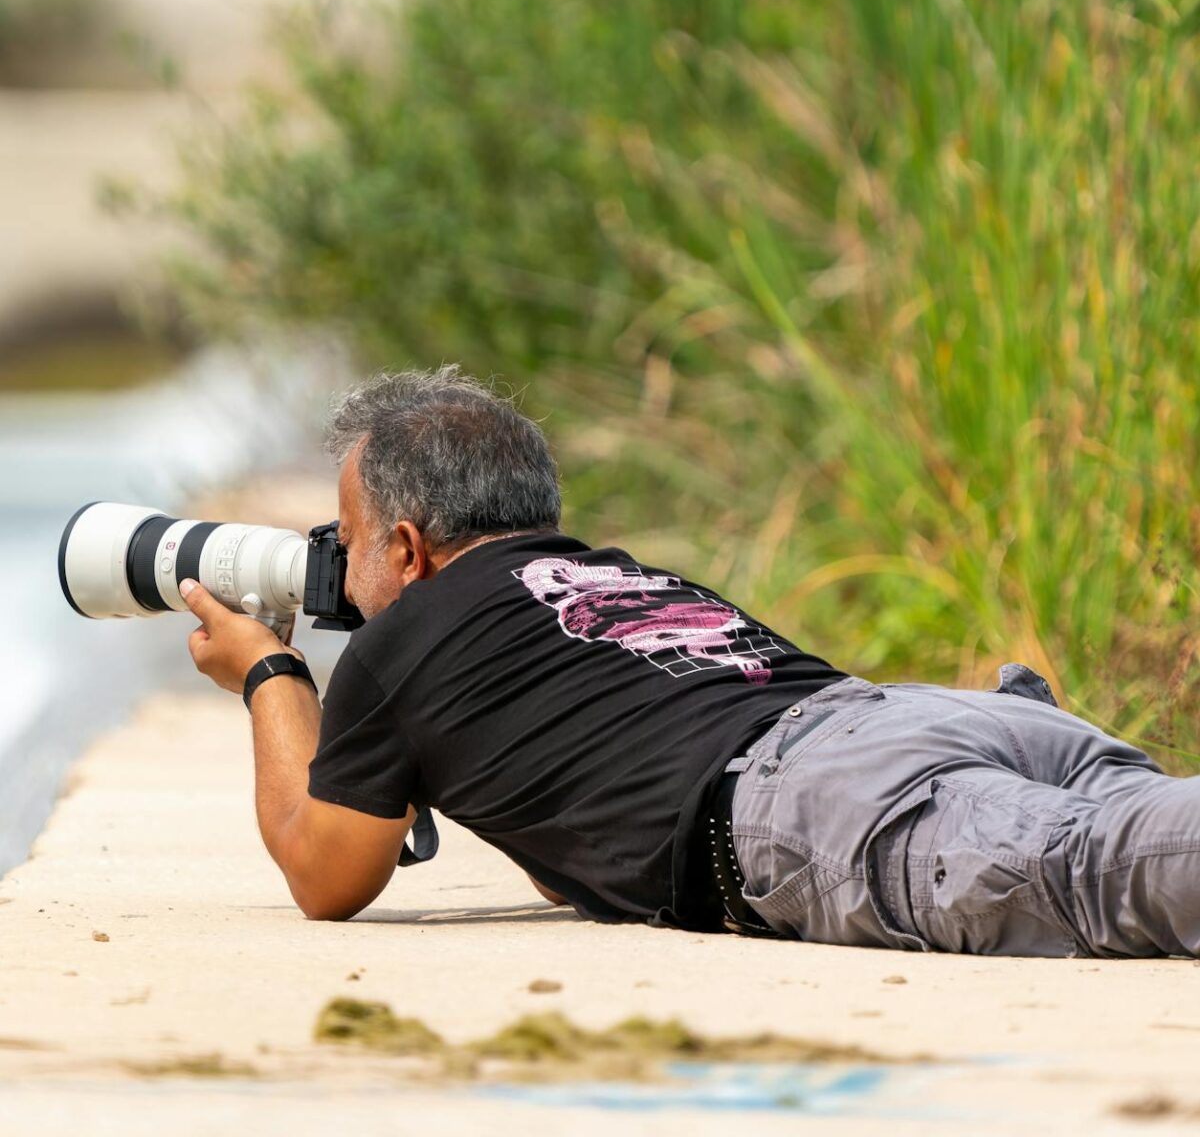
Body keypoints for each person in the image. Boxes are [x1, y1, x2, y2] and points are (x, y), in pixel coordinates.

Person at [181, 368, 1200, 958]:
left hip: (816, 795)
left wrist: (271, 674)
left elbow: (325, 875)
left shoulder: (404, 642)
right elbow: (572, 856)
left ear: (406, 548)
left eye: (350, 537)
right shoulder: (616, 577)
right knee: (1147, 834)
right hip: (936, 720)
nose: (341, 565)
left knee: (1108, 873)